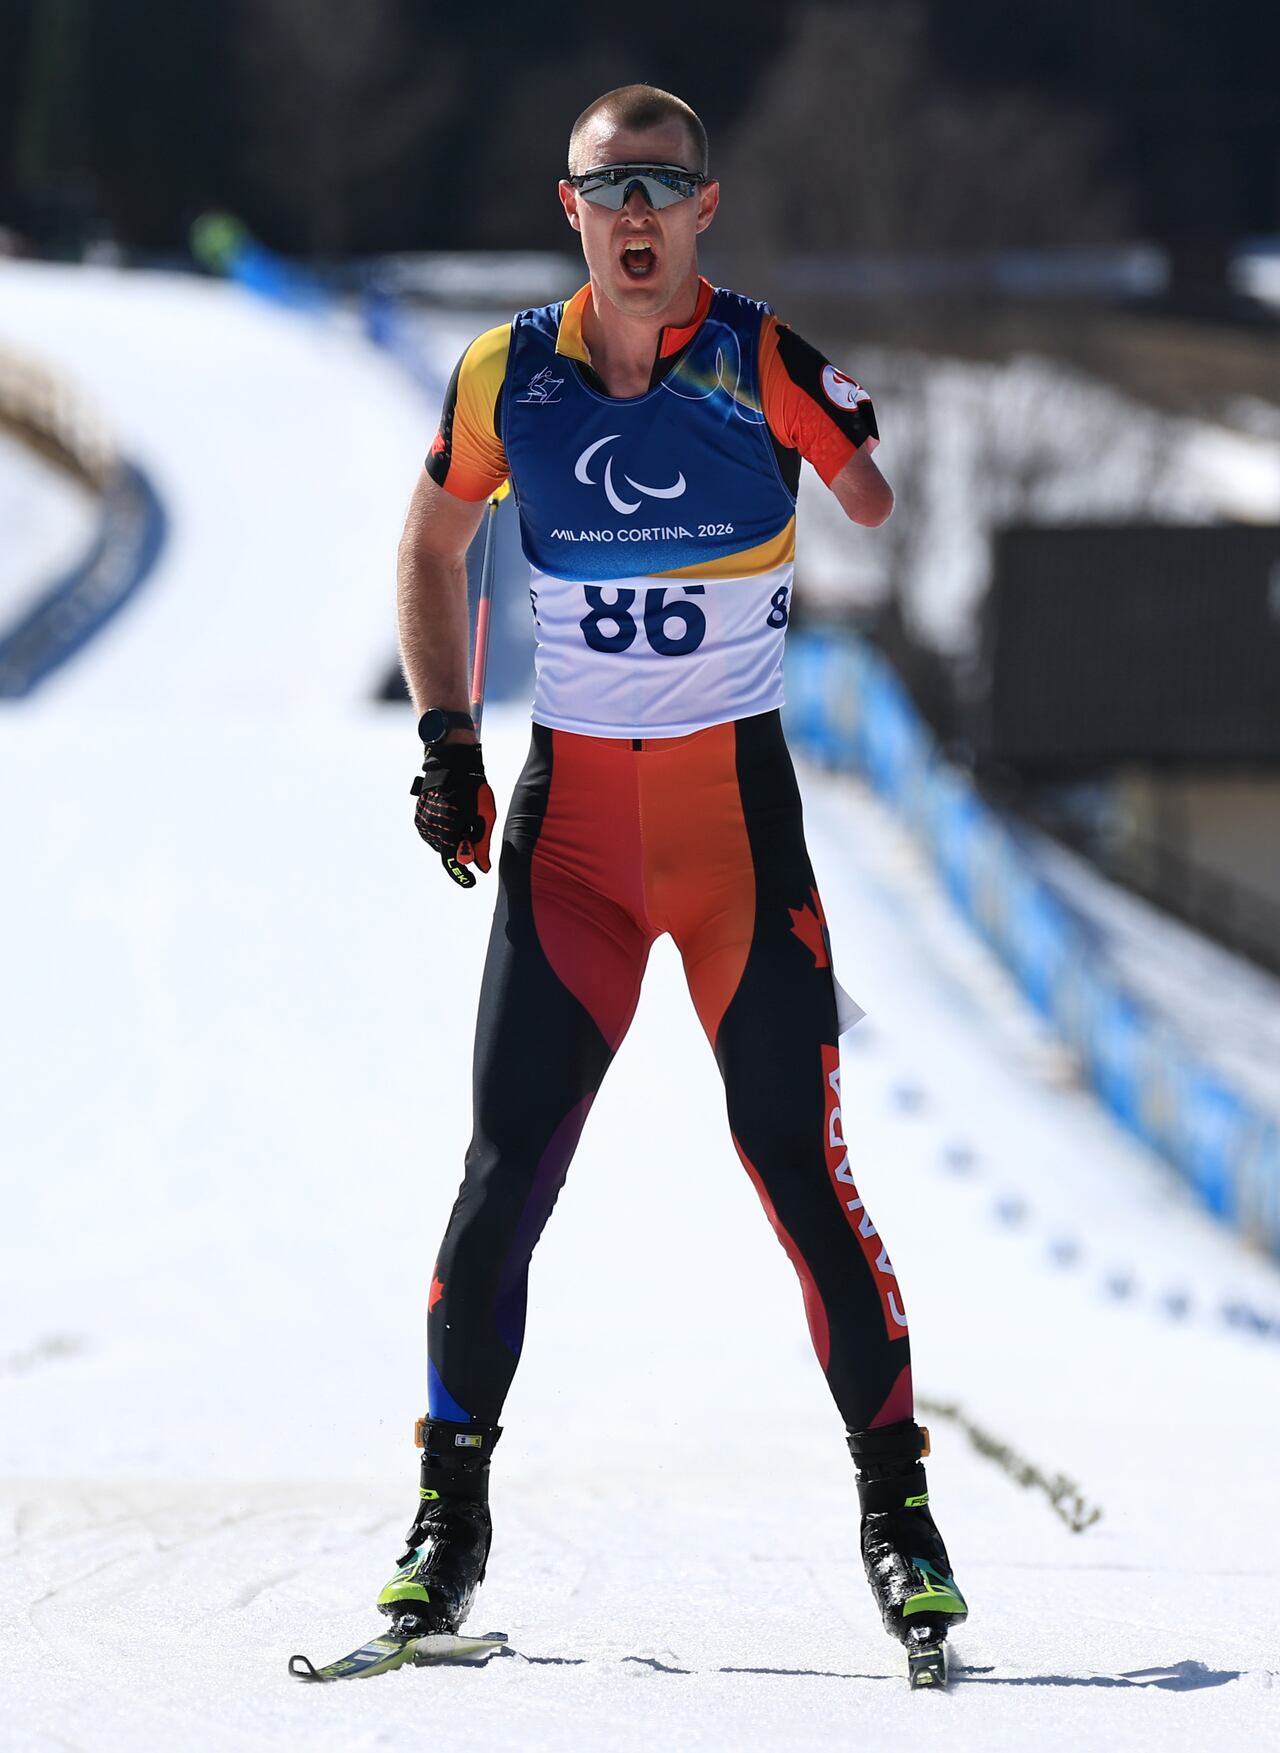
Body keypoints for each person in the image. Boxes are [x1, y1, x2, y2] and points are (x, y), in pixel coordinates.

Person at [384, 83, 967, 1675]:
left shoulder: (755, 353)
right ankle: (448, 1516)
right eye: (607, 186)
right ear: (565, 206)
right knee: (508, 1170)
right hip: (574, 841)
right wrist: (448, 743)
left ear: (706, 210)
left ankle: (899, 1514)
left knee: (797, 1165)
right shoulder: (508, 373)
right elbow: (431, 546)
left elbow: (870, 495)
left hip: (731, 837)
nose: (635, 213)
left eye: (665, 185)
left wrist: (830, 432)